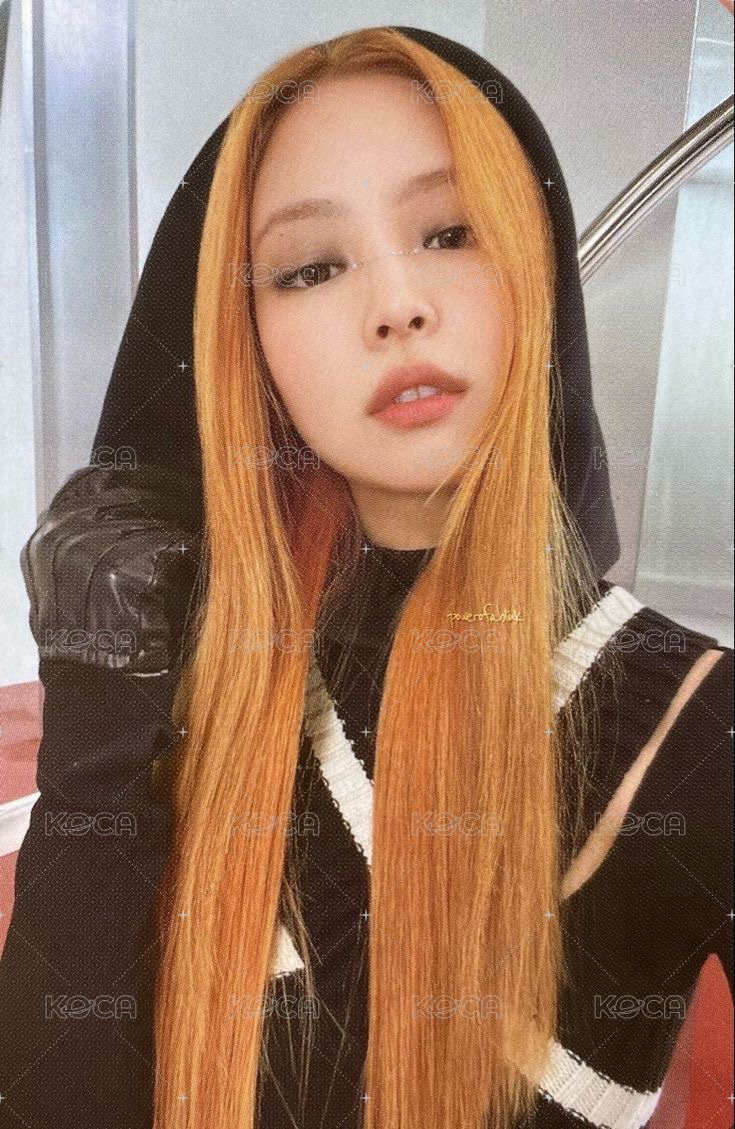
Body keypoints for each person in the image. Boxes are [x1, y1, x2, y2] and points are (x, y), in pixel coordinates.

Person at [0, 25, 732, 1129]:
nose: (396, 303)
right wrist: (97, 717)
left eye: (450, 232)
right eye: (311, 268)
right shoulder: (195, 682)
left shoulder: (693, 726)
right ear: (249, 346)